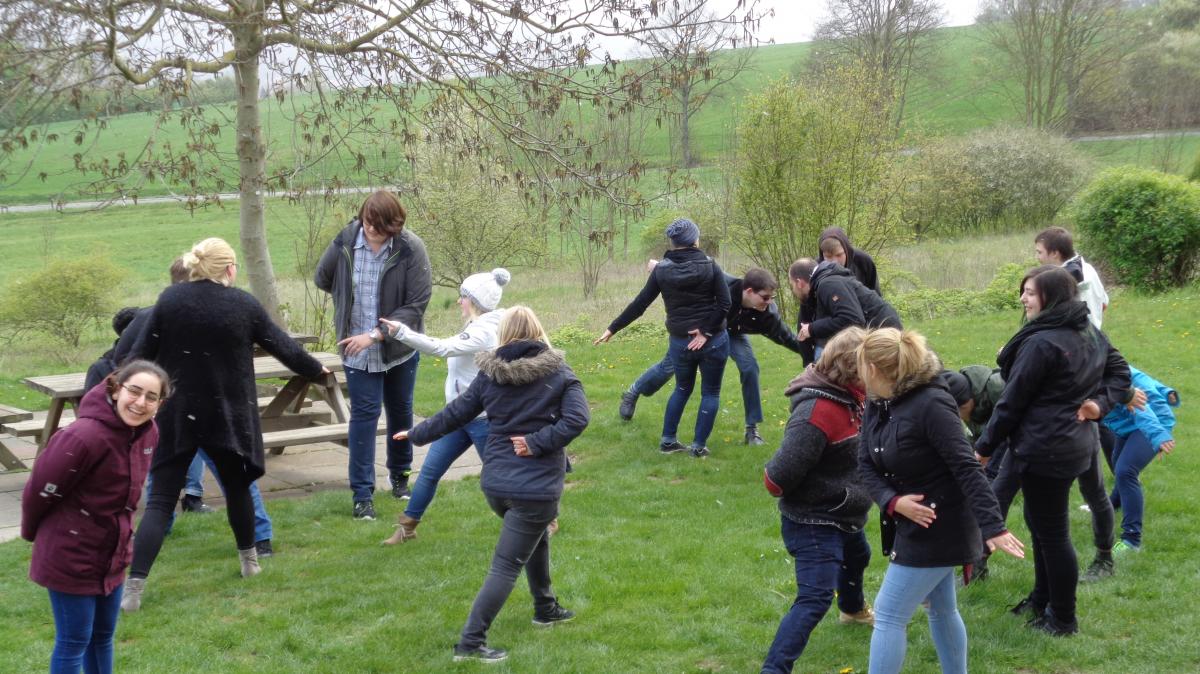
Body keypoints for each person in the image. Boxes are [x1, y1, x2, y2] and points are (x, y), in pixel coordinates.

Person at [122, 238, 327, 611]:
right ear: (230, 269)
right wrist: (318, 371)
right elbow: (284, 346)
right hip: (228, 418)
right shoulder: (242, 304)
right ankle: (249, 562)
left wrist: (123, 387)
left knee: (161, 501)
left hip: (176, 417)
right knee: (237, 489)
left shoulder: (171, 300)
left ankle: (135, 587)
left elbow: (139, 353)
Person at [397, 306, 589, 663]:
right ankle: (470, 644)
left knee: (536, 539)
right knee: (506, 565)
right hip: (535, 490)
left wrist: (417, 433)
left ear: (504, 335)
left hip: (497, 487)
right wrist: (537, 443)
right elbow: (579, 418)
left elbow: (456, 412)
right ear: (538, 331)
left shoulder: (489, 376)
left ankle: (545, 608)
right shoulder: (559, 372)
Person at [973, 266, 1130, 636]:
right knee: (1041, 527)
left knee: (1053, 534)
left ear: (1052, 296)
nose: (1023, 299)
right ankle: (1041, 599)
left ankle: (1063, 619)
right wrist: (1099, 403)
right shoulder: (1085, 329)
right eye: (1023, 291)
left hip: (1047, 449)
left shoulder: (1043, 342)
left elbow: (1010, 403)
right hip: (1066, 444)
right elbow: (1120, 375)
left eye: (1030, 292)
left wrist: (983, 448)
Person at [856, 328, 1024, 673]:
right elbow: (864, 463)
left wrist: (992, 526)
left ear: (874, 368)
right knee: (943, 608)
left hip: (940, 524)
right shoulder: (878, 401)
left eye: (860, 366)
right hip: (909, 520)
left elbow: (966, 466)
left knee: (888, 614)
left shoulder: (931, 403)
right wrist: (892, 501)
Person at [117, 257, 275, 553]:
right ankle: (258, 537)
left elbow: (123, 358)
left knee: (185, 477)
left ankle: (257, 534)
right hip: (194, 411)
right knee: (232, 478)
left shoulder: (162, 314)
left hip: (184, 412)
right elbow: (126, 359)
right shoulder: (158, 316)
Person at [21, 360, 169, 674]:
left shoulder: (149, 433)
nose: (140, 402)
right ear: (116, 390)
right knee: (74, 641)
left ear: (160, 404)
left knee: (102, 636)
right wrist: (34, 534)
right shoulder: (82, 436)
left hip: (113, 552)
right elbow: (38, 491)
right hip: (70, 553)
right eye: (134, 391)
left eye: (151, 397)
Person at [760, 328, 874, 674]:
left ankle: (852, 610)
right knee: (815, 598)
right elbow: (776, 479)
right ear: (852, 369)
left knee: (859, 554)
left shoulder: (854, 397)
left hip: (843, 513)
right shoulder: (818, 412)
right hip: (813, 520)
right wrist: (826, 493)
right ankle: (774, 669)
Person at [315, 189, 432, 520]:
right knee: (364, 418)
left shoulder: (410, 248)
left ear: (393, 226)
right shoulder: (346, 240)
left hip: (398, 348)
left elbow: (417, 303)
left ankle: (399, 477)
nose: (370, 231)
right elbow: (322, 278)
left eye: (378, 227)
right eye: (367, 223)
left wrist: (377, 333)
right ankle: (362, 496)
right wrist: (347, 308)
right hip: (355, 348)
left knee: (400, 411)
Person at [377, 268, 510, 544]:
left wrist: (401, 332)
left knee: (500, 479)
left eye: (463, 296)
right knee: (429, 471)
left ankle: (539, 521)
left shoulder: (484, 332)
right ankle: (408, 528)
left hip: (483, 420)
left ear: (474, 301)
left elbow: (440, 348)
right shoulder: (477, 326)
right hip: (460, 416)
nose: (459, 301)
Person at [617, 268, 804, 446]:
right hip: (705, 329)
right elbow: (695, 268)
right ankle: (633, 392)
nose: (769, 302)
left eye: (772, 298)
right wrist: (662, 267)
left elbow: (785, 336)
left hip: (733, 335)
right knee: (668, 367)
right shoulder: (723, 284)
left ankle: (751, 429)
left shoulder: (767, 314)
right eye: (765, 297)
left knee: (749, 367)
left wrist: (812, 355)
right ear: (748, 291)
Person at [595, 218, 730, 457]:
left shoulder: (662, 270)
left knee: (682, 388)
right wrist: (706, 332)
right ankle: (698, 448)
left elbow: (640, 304)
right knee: (710, 393)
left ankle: (668, 442)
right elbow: (725, 303)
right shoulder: (710, 265)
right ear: (695, 240)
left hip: (680, 342)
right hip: (713, 341)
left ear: (674, 243)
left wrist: (612, 328)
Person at [1102, 365, 1179, 553]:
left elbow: (1141, 407)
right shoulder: (1090, 369)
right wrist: (1166, 390)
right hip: (1127, 425)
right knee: (1118, 462)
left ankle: (1131, 539)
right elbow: (1146, 379)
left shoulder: (1113, 373)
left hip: (1152, 423)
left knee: (1125, 470)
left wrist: (1157, 435)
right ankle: (1112, 505)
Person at [787, 258, 901, 364]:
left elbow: (852, 319)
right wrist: (809, 364)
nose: (793, 290)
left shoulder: (828, 284)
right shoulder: (818, 286)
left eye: (792, 285)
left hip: (884, 335)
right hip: (875, 332)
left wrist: (812, 329)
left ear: (799, 283)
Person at [1034, 226, 1107, 329]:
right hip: (1093, 336)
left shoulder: (1059, 280)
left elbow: (1048, 319)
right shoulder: (1088, 268)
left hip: (1074, 340)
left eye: (1039, 252)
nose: (1037, 257)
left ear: (1055, 253)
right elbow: (1104, 304)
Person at [817, 227, 880, 295]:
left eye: (839, 255)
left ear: (846, 250)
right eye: (828, 256)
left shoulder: (863, 261)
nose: (834, 262)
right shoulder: (816, 269)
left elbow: (876, 294)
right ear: (822, 255)